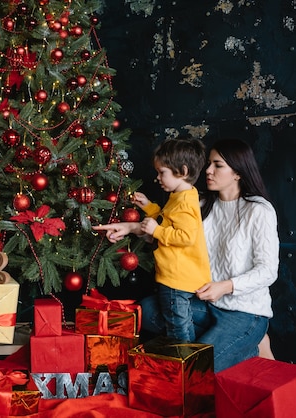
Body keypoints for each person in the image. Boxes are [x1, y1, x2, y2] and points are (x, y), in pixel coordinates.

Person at [94, 138, 279, 372]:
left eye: (218, 165)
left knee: (194, 369)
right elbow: (168, 234)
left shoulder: (258, 210)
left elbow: (268, 270)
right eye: (209, 164)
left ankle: (249, 343)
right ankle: (241, 346)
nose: (208, 171)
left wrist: (226, 286)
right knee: (148, 310)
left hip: (244, 312)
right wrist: (128, 228)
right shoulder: (200, 204)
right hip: (205, 304)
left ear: (238, 172)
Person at [98, 138, 211, 341]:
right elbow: (168, 219)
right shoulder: (182, 195)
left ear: (183, 171)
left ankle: (182, 362)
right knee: (177, 322)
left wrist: (157, 231)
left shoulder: (185, 202)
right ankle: (185, 360)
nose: (158, 178)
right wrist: (149, 207)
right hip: (177, 277)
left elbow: (186, 236)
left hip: (177, 279)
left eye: (162, 173)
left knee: (178, 329)